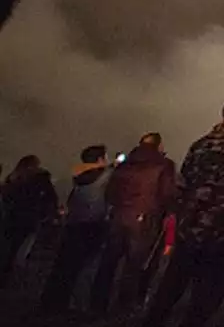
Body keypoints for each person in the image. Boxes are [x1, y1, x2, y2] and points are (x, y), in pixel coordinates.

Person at [139, 100, 224, 327]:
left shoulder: (200, 145)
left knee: (175, 279)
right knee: (213, 282)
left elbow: (183, 182)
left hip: (193, 222)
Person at [92, 134, 177, 314]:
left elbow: (110, 191)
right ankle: (126, 304)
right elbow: (167, 194)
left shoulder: (125, 164)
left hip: (119, 215)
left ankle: (97, 302)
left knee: (109, 261)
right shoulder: (164, 165)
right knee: (136, 263)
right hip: (146, 218)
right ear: (159, 145)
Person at [39, 146, 112, 313]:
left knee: (64, 264)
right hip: (94, 223)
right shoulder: (105, 175)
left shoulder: (79, 175)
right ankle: (78, 304)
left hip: (74, 223)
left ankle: (51, 301)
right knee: (87, 266)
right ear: (100, 159)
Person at [1, 155, 59, 289]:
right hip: (30, 219)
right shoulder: (41, 180)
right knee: (22, 251)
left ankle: (6, 277)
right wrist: (47, 214)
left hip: (12, 217)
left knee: (9, 249)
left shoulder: (14, 178)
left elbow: (7, 196)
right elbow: (51, 199)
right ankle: (15, 279)